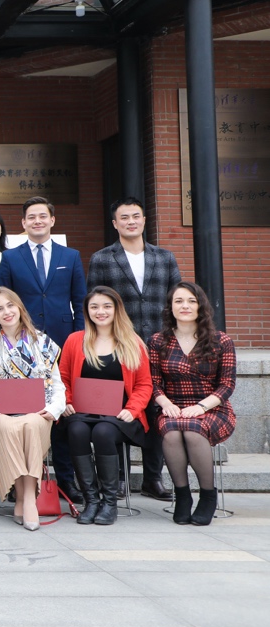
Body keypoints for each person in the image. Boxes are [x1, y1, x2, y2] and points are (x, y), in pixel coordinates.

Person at [88, 196, 182, 501]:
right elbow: (94, 304)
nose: (131, 222)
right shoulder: (102, 259)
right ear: (115, 224)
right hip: (117, 346)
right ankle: (118, 478)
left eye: (136, 216)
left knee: (155, 410)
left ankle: (153, 478)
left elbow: (177, 301)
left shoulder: (164, 258)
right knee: (115, 409)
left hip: (159, 345)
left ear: (144, 220)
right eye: (124, 217)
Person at [0, 196, 86, 502]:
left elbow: (79, 301)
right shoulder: (11, 258)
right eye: (31, 217)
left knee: (59, 413)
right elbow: (3, 302)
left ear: (52, 220)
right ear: (23, 223)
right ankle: (18, 482)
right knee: (21, 412)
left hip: (62, 343)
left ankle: (66, 480)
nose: (37, 221)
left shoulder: (70, 256)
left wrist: (77, 341)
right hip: (22, 346)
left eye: (42, 216)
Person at [0, 288, 66, 531]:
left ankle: (28, 499)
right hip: (0, 414)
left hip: (36, 412)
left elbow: (57, 384)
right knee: (10, 427)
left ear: (20, 307)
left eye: (10, 305)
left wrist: (54, 409)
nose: (7, 312)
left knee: (30, 426)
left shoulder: (42, 342)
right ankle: (24, 497)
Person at [59, 287, 151, 526]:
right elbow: (62, 378)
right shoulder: (74, 340)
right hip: (81, 412)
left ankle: (109, 503)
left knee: (102, 432)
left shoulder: (132, 343)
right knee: (76, 430)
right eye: (94, 307)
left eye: (106, 306)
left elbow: (144, 385)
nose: (100, 311)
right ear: (87, 311)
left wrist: (132, 409)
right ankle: (91, 501)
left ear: (117, 309)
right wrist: (66, 401)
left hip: (119, 415)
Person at [149, 282, 236, 526]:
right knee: (171, 432)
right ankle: (183, 495)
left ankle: (208, 496)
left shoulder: (220, 340)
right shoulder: (157, 341)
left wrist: (201, 407)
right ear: (170, 307)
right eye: (178, 301)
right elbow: (152, 382)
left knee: (192, 430)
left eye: (191, 301)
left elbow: (227, 385)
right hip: (173, 406)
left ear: (201, 306)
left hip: (213, 407)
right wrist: (164, 403)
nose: (185, 306)